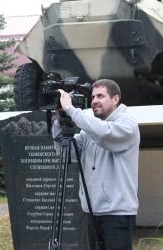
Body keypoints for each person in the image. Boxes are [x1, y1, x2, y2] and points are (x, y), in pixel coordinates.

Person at [53, 79, 140, 250]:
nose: (94, 101)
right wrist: (59, 120)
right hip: (91, 212)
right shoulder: (89, 130)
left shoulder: (127, 124)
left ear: (116, 99)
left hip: (117, 214)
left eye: (101, 96)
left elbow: (104, 134)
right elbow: (69, 153)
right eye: (92, 97)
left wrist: (72, 110)